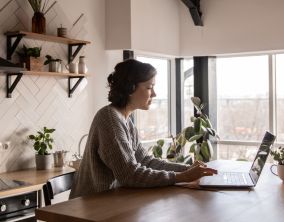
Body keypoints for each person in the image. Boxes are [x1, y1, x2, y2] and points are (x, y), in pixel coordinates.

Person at [69, 59, 217, 199]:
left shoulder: (124, 120)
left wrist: (187, 169)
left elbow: (146, 161)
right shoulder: (110, 120)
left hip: (112, 201)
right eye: (149, 87)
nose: (154, 94)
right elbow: (129, 174)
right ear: (130, 88)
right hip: (89, 208)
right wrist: (181, 177)